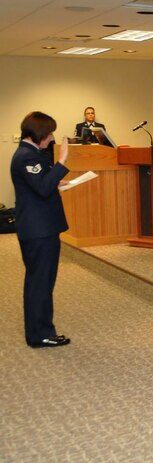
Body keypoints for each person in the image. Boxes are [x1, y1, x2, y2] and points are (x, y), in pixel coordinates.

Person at [12, 112, 71, 348]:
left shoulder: (32, 153)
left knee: (41, 281)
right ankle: (40, 334)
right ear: (39, 134)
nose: (52, 138)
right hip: (38, 230)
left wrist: (57, 181)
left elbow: (41, 184)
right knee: (40, 283)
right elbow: (43, 188)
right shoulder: (26, 157)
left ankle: (41, 330)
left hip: (41, 227)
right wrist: (62, 161)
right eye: (50, 133)